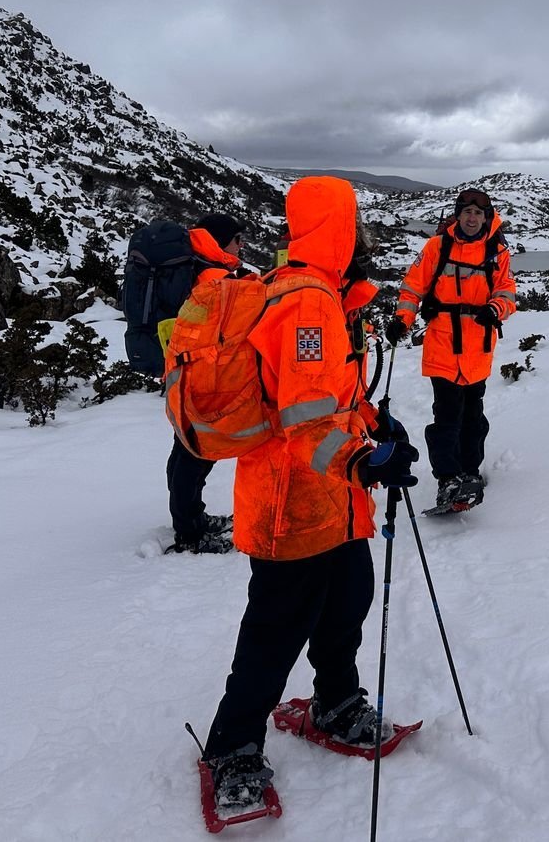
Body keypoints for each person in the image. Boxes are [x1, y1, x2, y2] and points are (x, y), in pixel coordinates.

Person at [201, 176, 420, 812]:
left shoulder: (324, 296)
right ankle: (233, 746)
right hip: (289, 505)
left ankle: (336, 704)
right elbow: (303, 422)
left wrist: (375, 426)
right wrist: (364, 462)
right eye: (355, 226)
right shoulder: (305, 304)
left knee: (347, 602)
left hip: (335, 503)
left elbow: (329, 397)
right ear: (339, 231)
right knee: (275, 629)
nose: (365, 239)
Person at [385, 187, 516, 508]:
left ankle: (470, 472)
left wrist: (495, 309)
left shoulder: (497, 252)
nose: (472, 218)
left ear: (487, 218)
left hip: (478, 346)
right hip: (442, 344)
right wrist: (402, 319)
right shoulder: (436, 247)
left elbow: (507, 292)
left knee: (473, 416)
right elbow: (412, 287)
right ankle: (448, 478)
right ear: (457, 215)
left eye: (478, 213)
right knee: (446, 416)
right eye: (467, 212)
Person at [166, 213, 248, 554]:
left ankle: (192, 518)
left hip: (184, 373)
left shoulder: (199, 268)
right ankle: (189, 533)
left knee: (184, 449)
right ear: (219, 241)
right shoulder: (214, 277)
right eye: (236, 239)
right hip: (202, 376)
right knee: (196, 453)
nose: (241, 245)